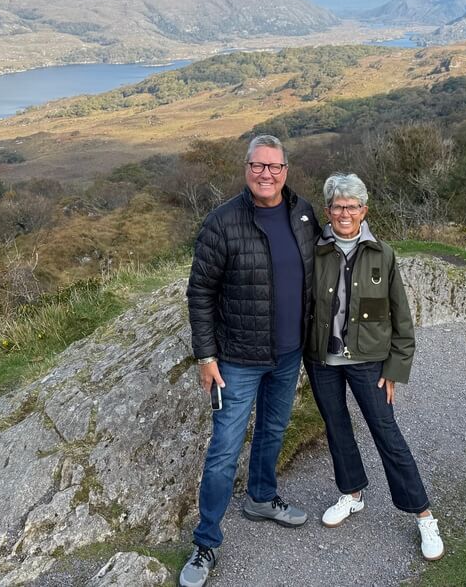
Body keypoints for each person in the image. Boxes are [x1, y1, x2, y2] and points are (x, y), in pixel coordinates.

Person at [180, 135, 320, 587]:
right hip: (237, 359)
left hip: (287, 354)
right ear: (246, 168)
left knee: (274, 430)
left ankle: (261, 497)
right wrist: (206, 355)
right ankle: (206, 544)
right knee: (223, 451)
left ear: (286, 170)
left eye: (274, 167)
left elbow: (330, 257)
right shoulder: (222, 222)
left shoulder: (302, 214)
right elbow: (200, 293)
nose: (266, 174)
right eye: (258, 166)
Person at [304, 172, 444, 561]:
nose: (344, 213)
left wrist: (394, 368)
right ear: (327, 210)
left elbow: (402, 318)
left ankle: (423, 515)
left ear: (364, 210)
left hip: (369, 364)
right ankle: (351, 494)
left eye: (352, 206)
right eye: (337, 206)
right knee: (337, 427)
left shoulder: (383, 253)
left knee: (387, 432)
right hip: (323, 361)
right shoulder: (315, 250)